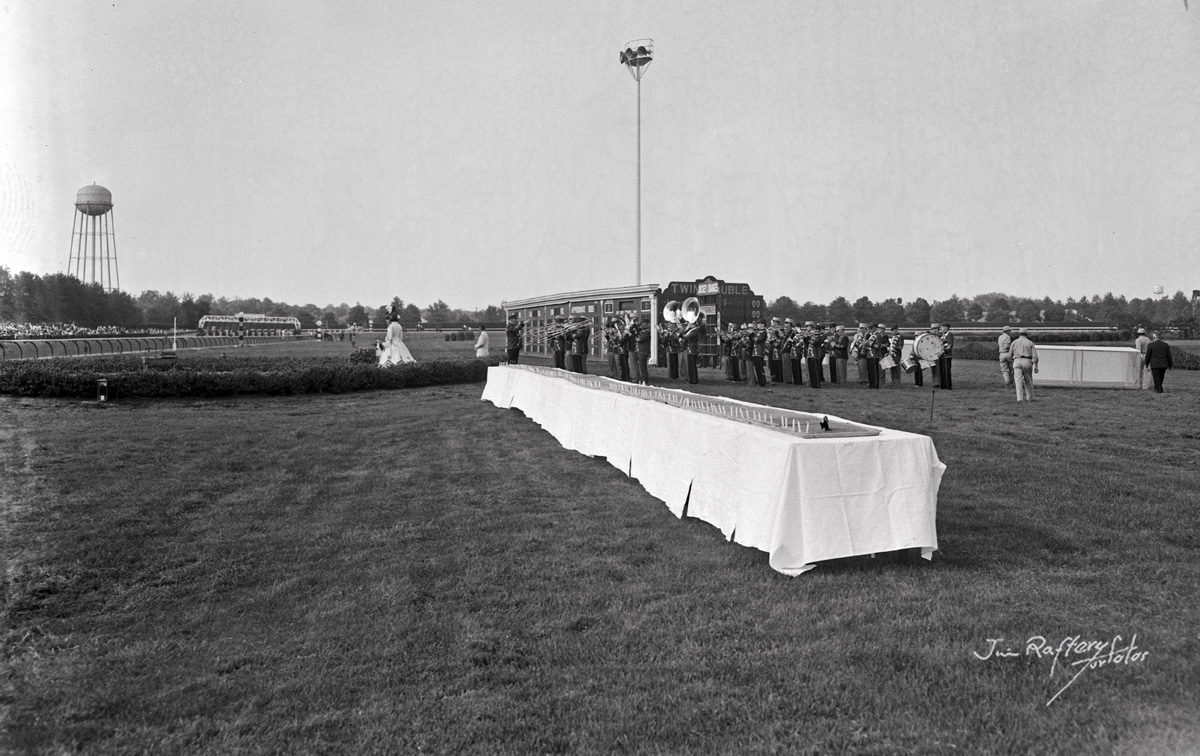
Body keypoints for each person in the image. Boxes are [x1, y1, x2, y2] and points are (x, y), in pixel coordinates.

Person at [1008, 327, 1038, 401]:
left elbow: (1009, 354)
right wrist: (1036, 365)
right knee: (1028, 380)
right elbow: (1035, 356)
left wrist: (1012, 362)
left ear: (1019, 333)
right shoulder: (1030, 343)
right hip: (1027, 361)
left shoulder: (1014, 342)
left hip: (1017, 360)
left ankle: (1019, 398)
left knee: (1018, 380)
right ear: (1026, 334)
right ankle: (1029, 397)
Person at [682, 315, 706, 384]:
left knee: (692, 366)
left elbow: (687, 337)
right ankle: (691, 379)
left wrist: (683, 333)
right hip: (690, 349)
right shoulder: (692, 330)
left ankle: (694, 380)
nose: (688, 324)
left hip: (693, 349)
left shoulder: (695, 331)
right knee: (690, 365)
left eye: (689, 323)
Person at [631, 315, 651, 385]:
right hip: (639, 350)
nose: (641, 325)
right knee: (641, 366)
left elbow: (639, 339)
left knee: (643, 366)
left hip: (643, 351)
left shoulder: (647, 332)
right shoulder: (642, 331)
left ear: (647, 324)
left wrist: (637, 338)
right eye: (641, 323)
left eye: (643, 323)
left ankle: (645, 379)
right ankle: (642, 378)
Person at [938, 323, 955, 390]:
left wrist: (943, 351)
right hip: (941, 356)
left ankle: (948, 386)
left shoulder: (949, 334)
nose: (940, 328)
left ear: (946, 328)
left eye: (941, 327)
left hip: (946, 355)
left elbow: (949, 345)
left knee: (946, 371)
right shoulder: (942, 335)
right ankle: (942, 385)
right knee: (941, 371)